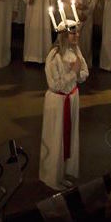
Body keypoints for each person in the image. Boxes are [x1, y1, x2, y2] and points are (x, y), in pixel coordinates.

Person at [39, 13, 88, 189]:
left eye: (77, 33)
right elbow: (54, 83)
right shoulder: (54, 56)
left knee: (68, 137)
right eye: (73, 33)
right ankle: (52, 176)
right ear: (64, 35)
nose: (77, 36)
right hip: (58, 102)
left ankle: (62, 173)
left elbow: (84, 74)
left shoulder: (75, 51)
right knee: (56, 138)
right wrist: (72, 73)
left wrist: (76, 73)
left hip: (72, 98)